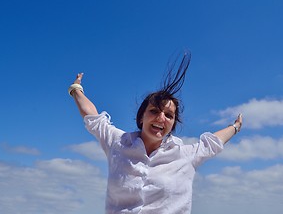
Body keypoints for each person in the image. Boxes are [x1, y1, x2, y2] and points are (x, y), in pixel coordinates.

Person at [68, 53, 242, 214]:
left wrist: (235, 127)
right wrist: (76, 88)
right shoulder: (118, 142)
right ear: (141, 117)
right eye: (154, 111)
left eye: (168, 115)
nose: (161, 118)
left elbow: (212, 144)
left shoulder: (184, 154)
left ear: (173, 124)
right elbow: (93, 117)